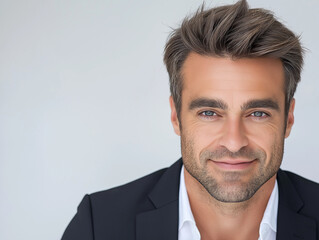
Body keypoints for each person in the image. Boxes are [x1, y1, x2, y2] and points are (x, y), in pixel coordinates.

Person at [61, 0, 319, 239]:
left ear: (288, 119)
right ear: (176, 116)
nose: (233, 142)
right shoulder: (99, 226)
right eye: (209, 113)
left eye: (258, 114)